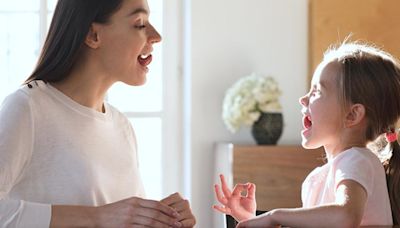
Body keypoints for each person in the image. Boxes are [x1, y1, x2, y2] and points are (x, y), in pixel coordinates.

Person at [0, 0, 196, 227]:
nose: (157, 36)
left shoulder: (121, 126)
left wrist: (164, 219)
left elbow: (122, 220)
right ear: (93, 35)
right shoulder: (28, 108)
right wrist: (97, 217)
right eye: (140, 24)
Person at [214, 42, 400, 227]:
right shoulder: (315, 180)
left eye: (317, 91)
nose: (303, 99)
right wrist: (251, 220)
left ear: (352, 115)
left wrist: (274, 216)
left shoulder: (358, 160)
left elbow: (346, 217)